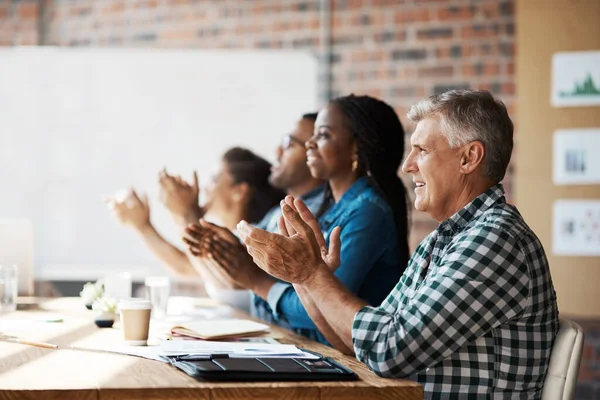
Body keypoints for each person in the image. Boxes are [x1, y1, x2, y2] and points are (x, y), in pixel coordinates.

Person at [236, 90, 559, 398]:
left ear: (469, 157)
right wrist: (304, 277)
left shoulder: (494, 241)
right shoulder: (445, 238)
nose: (408, 165)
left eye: (423, 150)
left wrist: (311, 276)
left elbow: (388, 349)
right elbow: (354, 345)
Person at [185, 95, 411, 346]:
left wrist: (256, 281)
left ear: (355, 148)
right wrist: (239, 250)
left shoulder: (368, 212)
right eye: (312, 136)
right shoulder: (335, 206)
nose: (310, 145)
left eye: (323, 135)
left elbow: (323, 306)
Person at [105, 147, 284, 302]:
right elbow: (190, 266)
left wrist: (185, 213)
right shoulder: (237, 234)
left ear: (239, 191)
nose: (206, 187)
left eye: (214, 179)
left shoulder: (255, 239)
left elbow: (191, 266)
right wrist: (147, 224)